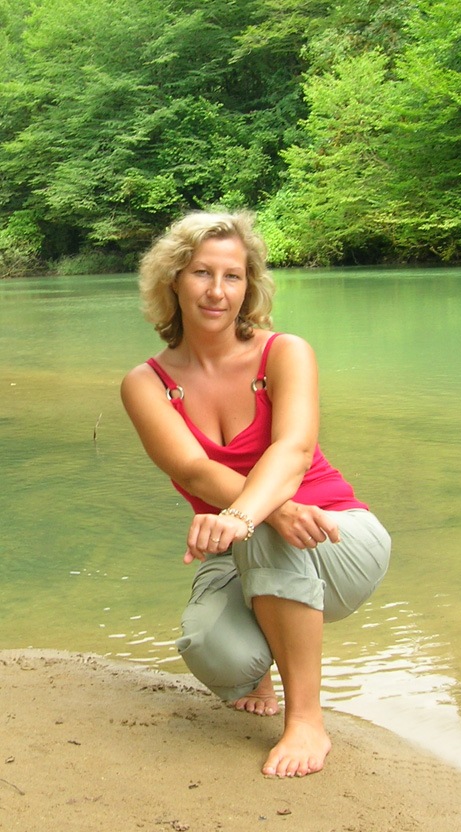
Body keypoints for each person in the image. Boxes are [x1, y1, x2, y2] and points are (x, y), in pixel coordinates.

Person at [121, 210, 391, 779]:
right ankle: (263, 663)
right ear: (173, 279)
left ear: (249, 286)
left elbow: (293, 450)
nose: (217, 291)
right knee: (212, 650)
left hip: (336, 533)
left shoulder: (285, 352)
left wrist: (251, 515)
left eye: (233, 276)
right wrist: (255, 517)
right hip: (239, 545)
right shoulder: (146, 384)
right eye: (202, 273)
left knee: (267, 525)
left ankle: (307, 719)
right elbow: (194, 470)